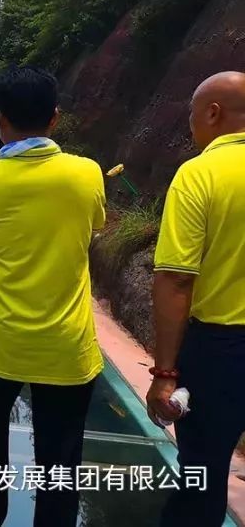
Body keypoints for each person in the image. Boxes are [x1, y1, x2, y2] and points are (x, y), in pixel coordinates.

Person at [0, 67, 106, 527]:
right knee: (61, 454)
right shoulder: (86, 174)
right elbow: (95, 224)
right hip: (66, 342)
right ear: (55, 117)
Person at [147, 71, 245, 527]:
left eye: (192, 116)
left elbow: (175, 280)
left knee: (202, 478)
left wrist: (165, 374)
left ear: (213, 113)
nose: (191, 127)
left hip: (222, 350)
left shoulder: (200, 172)